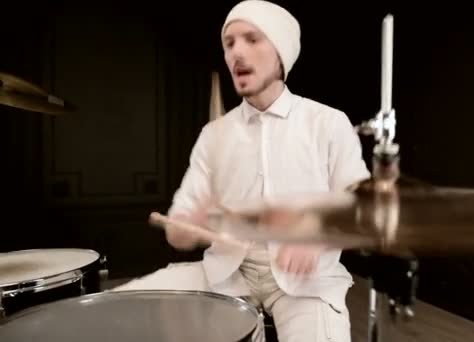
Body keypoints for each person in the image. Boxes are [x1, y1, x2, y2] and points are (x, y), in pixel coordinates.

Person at [112, 1, 370, 341]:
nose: (237, 52)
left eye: (251, 39)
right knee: (113, 312)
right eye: (229, 42)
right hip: (226, 274)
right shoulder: (214, 135)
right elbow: (179, 230)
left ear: (281, 52)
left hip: (306, 284)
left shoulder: (327, 123)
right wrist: (187, 227)